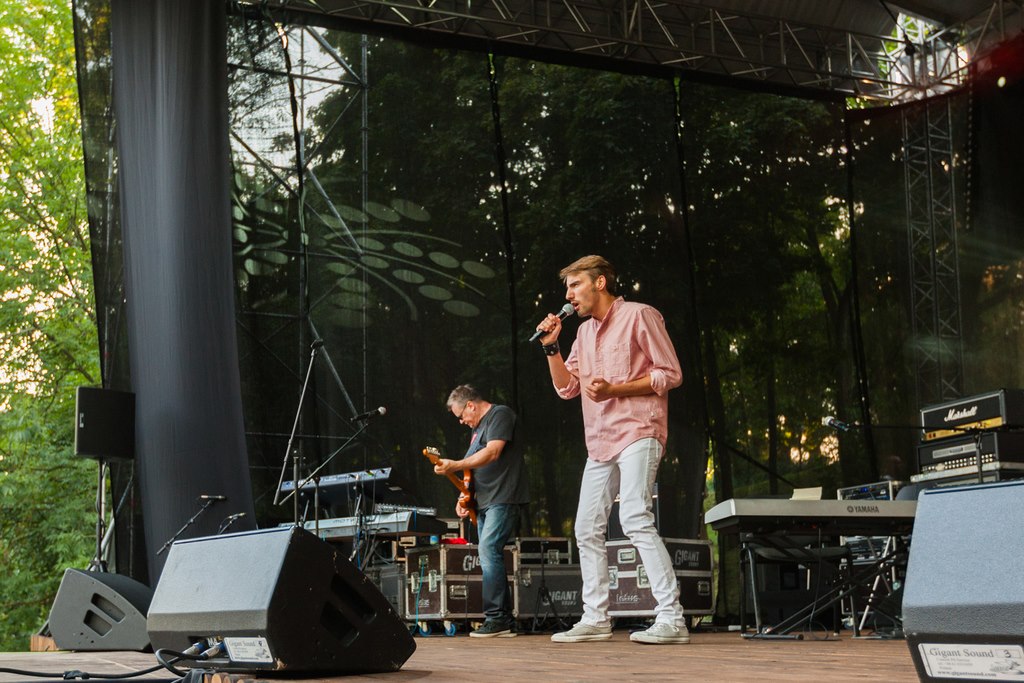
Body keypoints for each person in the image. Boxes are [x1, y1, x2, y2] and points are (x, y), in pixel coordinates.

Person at [534, 255, 689, 645]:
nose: (569, 295)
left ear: (599, 282)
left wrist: (615, 389)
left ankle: (672, 618)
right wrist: (552, 349)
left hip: (639, 429)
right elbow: (567, 388)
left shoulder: (640, 315)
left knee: (634, 516)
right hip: (600, 440)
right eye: (567, 288)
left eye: (575, 285)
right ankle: (596, 618)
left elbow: (670, 373)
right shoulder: (583, 334)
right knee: (586, 527)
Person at [433, 384, 529, 638]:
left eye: (461, 415)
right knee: (488, 552)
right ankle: (502, 619)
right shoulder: (476, 432)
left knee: (488, 550)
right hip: (484, 501)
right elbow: (472, 470)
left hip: (503, 496)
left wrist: (455, 464)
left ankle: (497, 618)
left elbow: (493, 452)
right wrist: (463, 496)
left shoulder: (500, 414)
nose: (461, 421)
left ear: (471, 405)